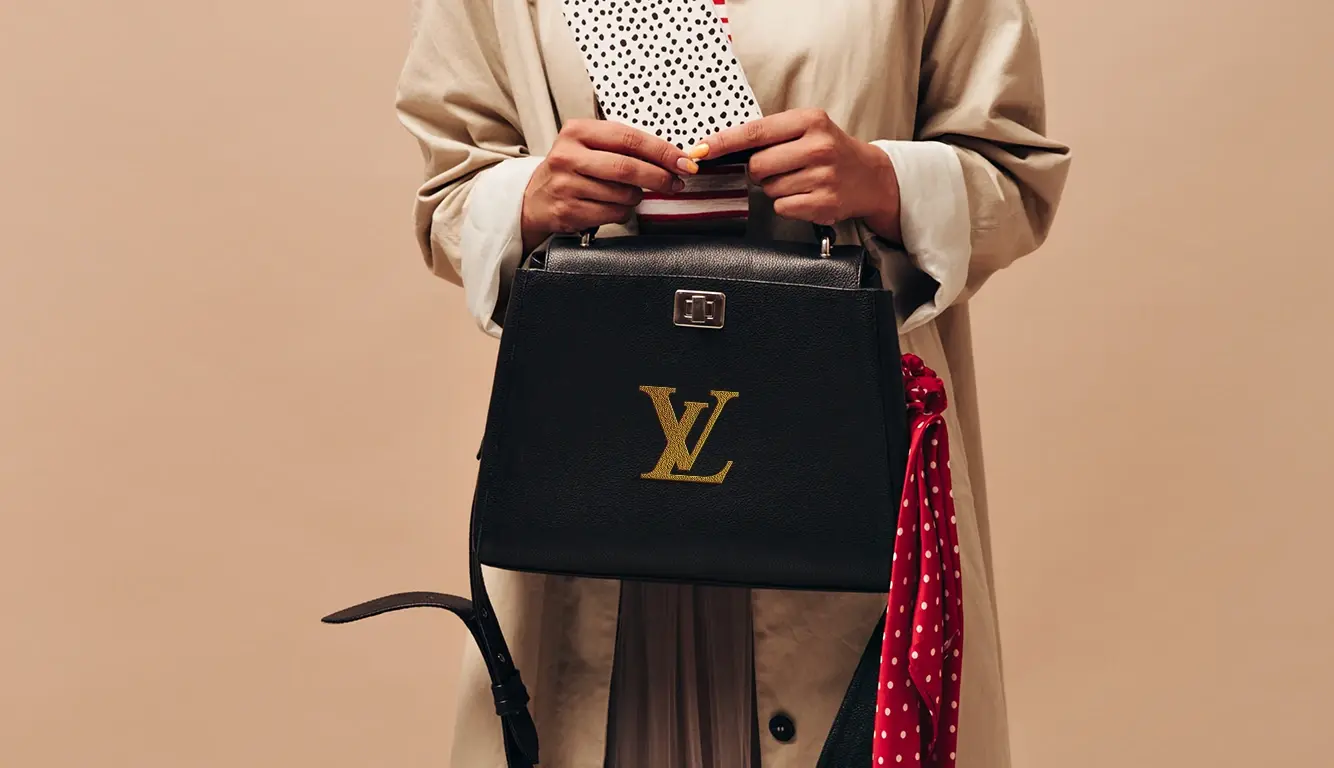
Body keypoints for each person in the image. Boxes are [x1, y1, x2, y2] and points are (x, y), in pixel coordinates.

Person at [395, 0, 1070, 765]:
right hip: (601, 467)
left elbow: (1016, 174)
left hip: (829, 458)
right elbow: (449, 189)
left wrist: (882, 179)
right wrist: (530, 199)